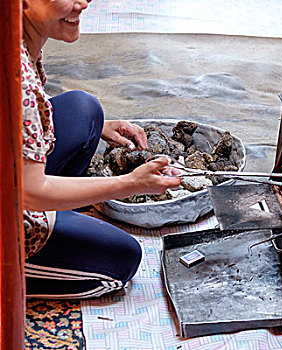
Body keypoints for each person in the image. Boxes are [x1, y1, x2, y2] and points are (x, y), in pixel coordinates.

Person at [21, 0, 181, 298]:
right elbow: (28, 192)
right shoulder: (17, 79)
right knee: (121, 260)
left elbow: (23, 121)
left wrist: (102, 126)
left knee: (85, 110)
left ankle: (63, 224)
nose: (81, 3)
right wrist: (128, 184)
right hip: (12, 213)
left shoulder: (17, 33)